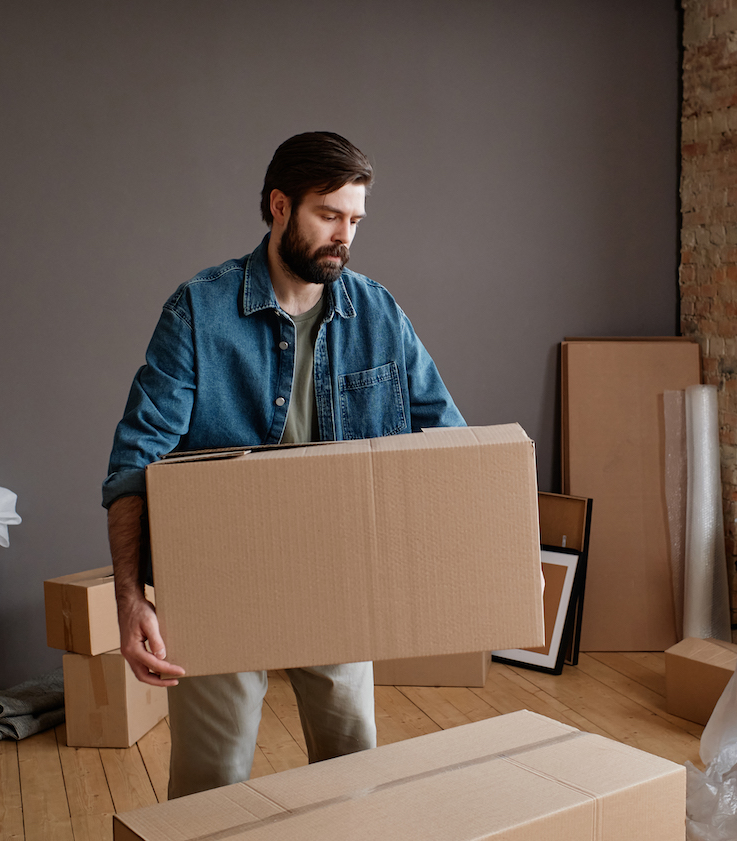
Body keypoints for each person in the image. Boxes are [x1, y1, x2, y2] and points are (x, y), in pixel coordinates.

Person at [101, 131, 465, 798]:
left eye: (354, 220)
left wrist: (494, 553)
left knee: (354, 775)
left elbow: (447, 438)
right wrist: (130, 599)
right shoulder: (198, 312)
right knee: (209, 789)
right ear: (278, 206)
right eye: (329, 214)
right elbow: (135, 458)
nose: (343, 236)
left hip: (339, 570)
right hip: (219, 573)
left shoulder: (377, 313)